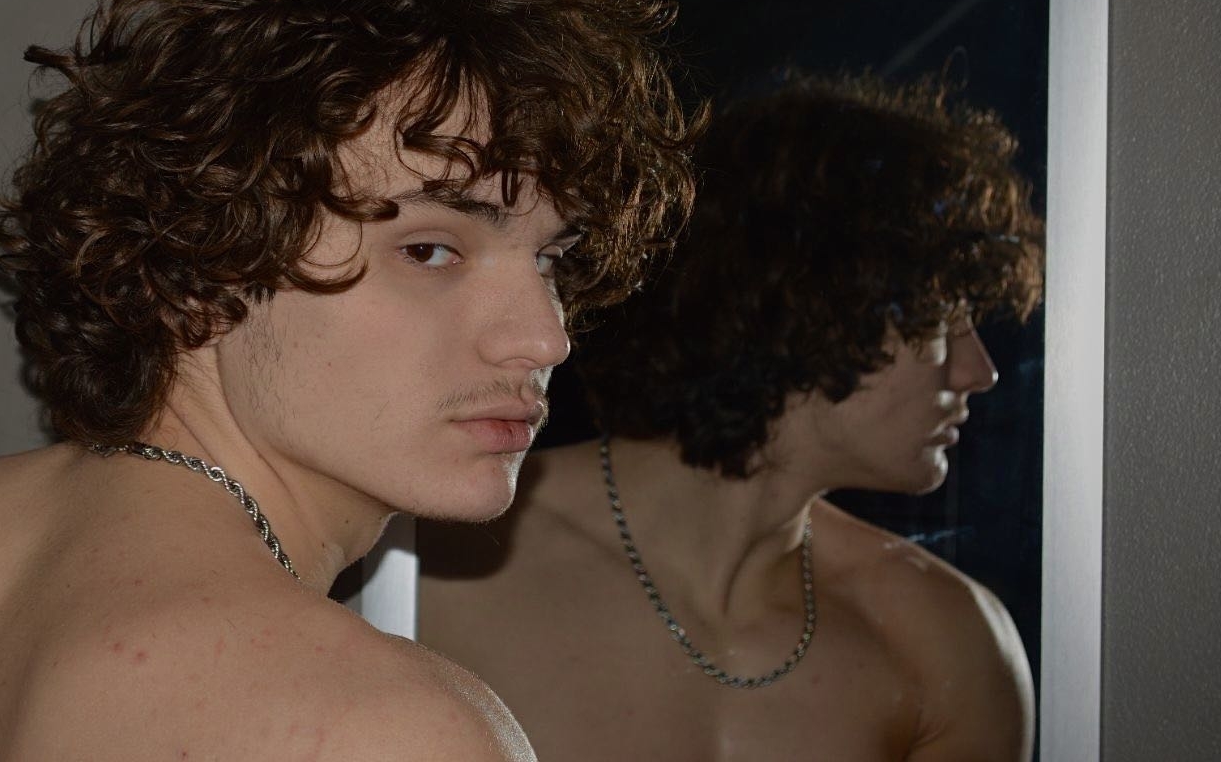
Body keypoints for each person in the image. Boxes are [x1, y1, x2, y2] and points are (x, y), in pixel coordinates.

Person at [0, 0, 700, 761]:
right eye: (430, 251)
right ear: (199, 258)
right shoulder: (387, 733)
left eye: (552, 259)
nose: (543, 339)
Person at [420, 73, 1045, 761]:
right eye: (941, 320)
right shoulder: (431, 572)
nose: (979, 371)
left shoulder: (945, 641)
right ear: (807, 306)